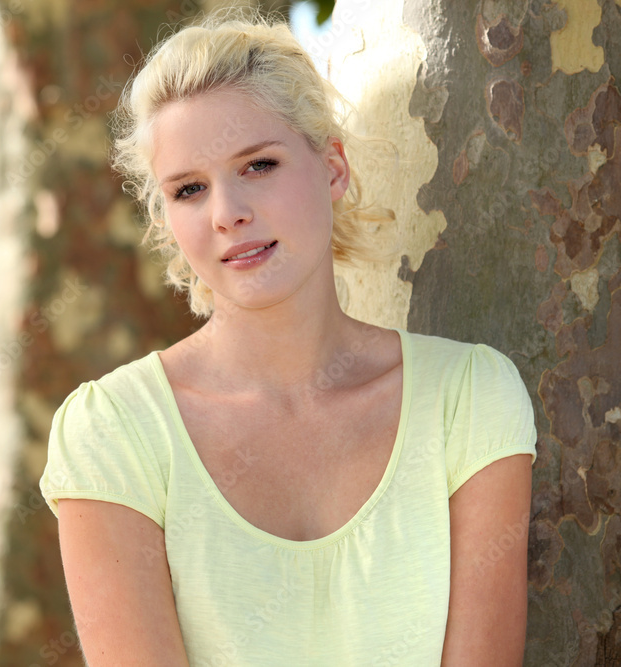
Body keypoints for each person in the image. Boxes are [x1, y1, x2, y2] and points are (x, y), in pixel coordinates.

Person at [39, 11, 537, 666]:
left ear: (332, 168)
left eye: (258, 165)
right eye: (189, 189)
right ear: (166, 217)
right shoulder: (112, 431)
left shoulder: (470, 400)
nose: (227, 214)